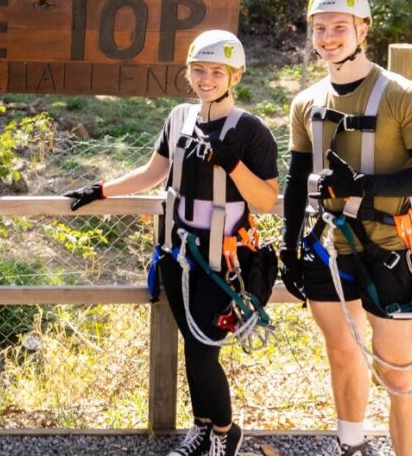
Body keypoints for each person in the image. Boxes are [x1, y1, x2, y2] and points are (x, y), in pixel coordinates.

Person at [67, 30, 279, 456]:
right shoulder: (179, 118)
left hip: (221, 257)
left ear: (235, 76)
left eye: (216, 72)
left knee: (204, 352)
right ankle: (202, 426)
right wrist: (102, 190)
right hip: (177, 252)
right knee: (192, 343)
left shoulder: (250, 131)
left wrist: (232, 163)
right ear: (187, 72)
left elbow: (267, 200)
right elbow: (153, 173)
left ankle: (224, 433)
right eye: (198, 70)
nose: (206, 79)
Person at [280, 0, 412, 456]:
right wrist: (288, 246)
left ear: (363, 29)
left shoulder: (405, 96)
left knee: (398, 371)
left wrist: (363, 185)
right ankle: (351, 446)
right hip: (326, 246)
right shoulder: (307, 102)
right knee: (342, 353)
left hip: (390, 248)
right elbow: (297, 181)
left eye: (340, 27)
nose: (329, 37)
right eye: (320, 28)